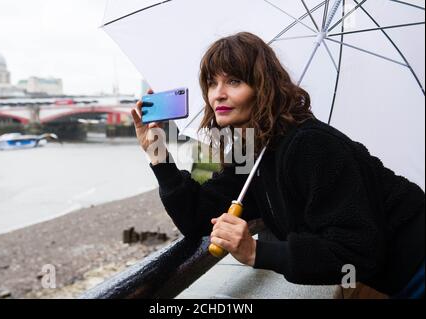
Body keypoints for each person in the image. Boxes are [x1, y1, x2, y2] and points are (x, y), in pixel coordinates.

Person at [130, 32, 425, 298]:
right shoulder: (254, 150)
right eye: (211, 82)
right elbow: (196, 217)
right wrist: (156, 152)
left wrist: (255, 251)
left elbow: (358, 251)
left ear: (262, 86)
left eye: (234, 81)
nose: (218, 93)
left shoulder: (310, 144)